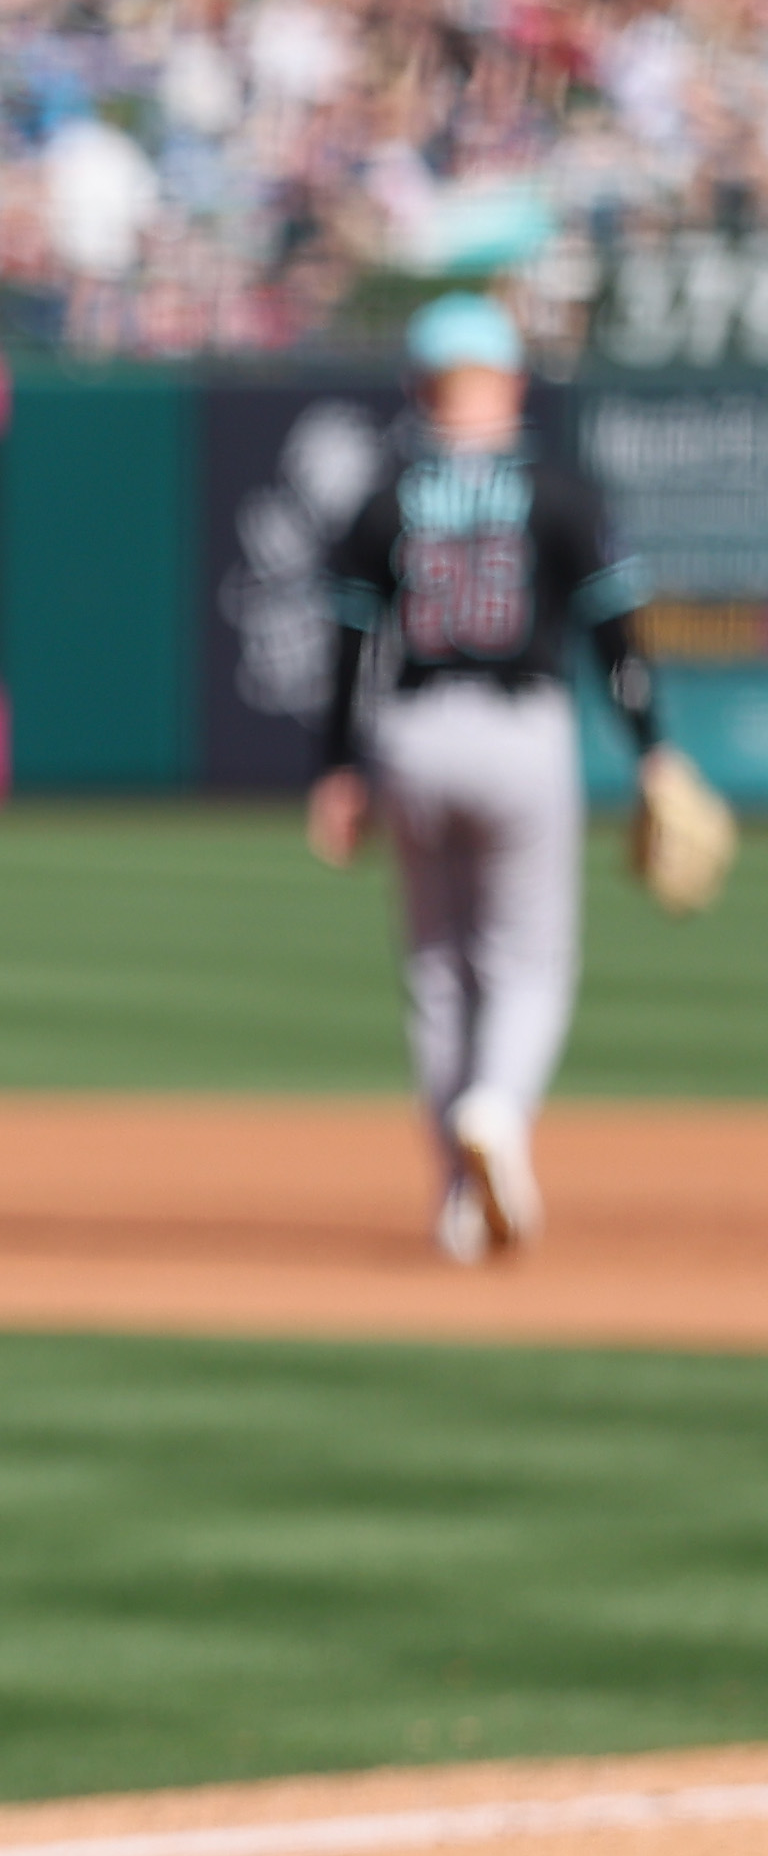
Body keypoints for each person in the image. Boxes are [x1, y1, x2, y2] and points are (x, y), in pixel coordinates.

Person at [306, 294, 665, 1259]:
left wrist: (337, 772)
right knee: (529, 961)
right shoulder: (561, 490)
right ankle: (498, 1113)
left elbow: (346, 649)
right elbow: (619, 643)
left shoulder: (382, 497)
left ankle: (458, 1203)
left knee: (437, 972)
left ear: (419, 387)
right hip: (521, 730)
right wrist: (654, 753)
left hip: (414, 731)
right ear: (510, 381)